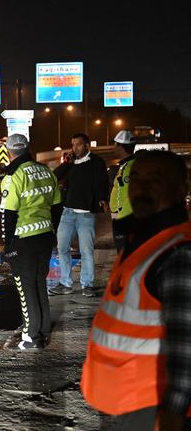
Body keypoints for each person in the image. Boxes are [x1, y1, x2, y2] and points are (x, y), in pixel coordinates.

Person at [81, 150, 191, 430]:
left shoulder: (178, 251)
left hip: (155, 405)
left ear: (180, 189)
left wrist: (173, 412)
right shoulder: (144, 239)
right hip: (132, 398)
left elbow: (186, 341)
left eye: (154, 179)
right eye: (136, 178)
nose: (141, 186)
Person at [0, 134, 62, 350]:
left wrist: (7, 245)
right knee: (39, 284)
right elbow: (57, 206)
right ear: (28, 148)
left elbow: (8, 213)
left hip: (23, 240)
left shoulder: (14, 176)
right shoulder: (46, 171)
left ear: (9, 152)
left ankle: (31, 337)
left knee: (25, 288)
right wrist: (51, 231)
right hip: (45, 236)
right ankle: (43, 329)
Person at [49, 133, 109, 298]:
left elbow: (103, 183)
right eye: (73, 145)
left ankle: (87, 284)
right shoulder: (71, 162)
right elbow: (55, 177)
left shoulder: (96, 162)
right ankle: (65, 283)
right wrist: (66, 163)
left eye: (79, 144)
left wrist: (103, 199)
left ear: (87, 146)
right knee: (62, 248)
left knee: (86, 251)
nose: (75, 148)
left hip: (86, 215)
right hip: (67, 212)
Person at [108, 130, 137, 252]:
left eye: (115, 145)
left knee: (124, 253)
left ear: (120, 147)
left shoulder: (129, 167)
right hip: (121, 215)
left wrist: (121, 216)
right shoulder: (126, 165)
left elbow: (132, 193)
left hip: (123, 217)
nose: (114, 148)